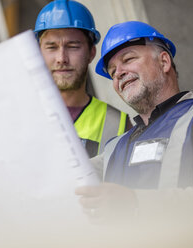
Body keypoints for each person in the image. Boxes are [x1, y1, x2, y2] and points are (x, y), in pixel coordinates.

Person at [75, 21, 193, 222]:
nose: (118, 73)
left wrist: (133, 203)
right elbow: (66, 180)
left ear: (164, 62)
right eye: (112, 71)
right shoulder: (112, 149)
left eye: (128, 59)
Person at [34, 0, 129, 158]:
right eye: (51, 47)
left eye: (73, 46)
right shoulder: (17, 114)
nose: (61, 58)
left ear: (91, 53)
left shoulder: (117, 124)